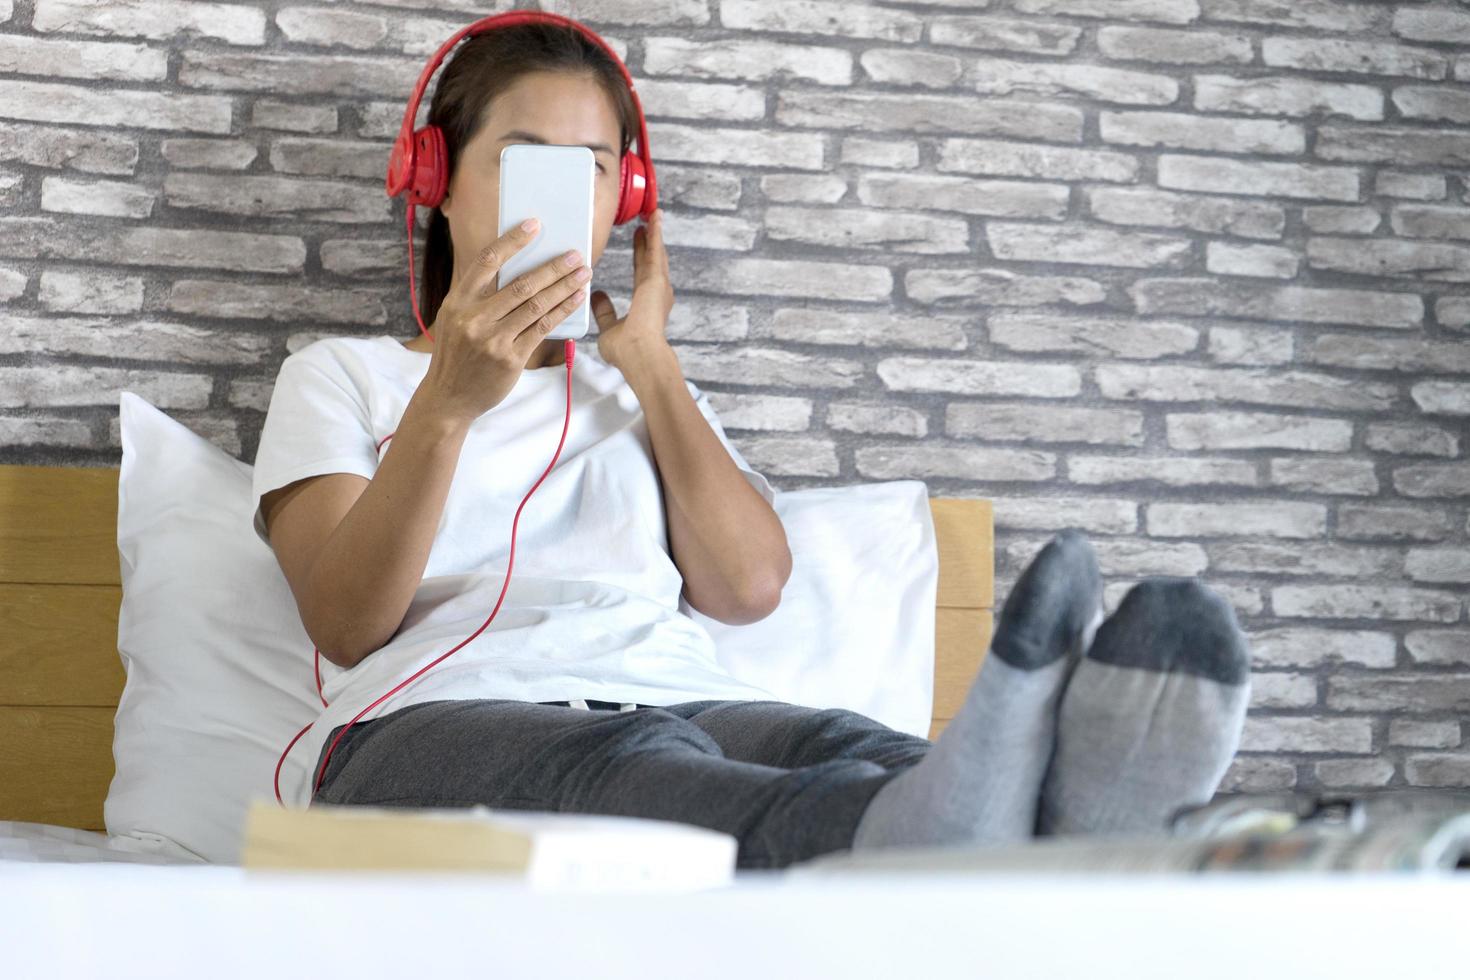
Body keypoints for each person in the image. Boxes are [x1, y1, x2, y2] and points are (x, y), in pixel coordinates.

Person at [251, 21, 1252, 871]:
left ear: (625, 198)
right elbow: (345, 620)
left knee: (832, 740)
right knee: (641, 759)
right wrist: (446, 407)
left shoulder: (636, 390)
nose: (564, 193)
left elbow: (748, 584)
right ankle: (951, 839)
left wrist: (648, 364)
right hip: (422, 729)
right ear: (438, 180)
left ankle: (1077, 820)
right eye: (526, 159)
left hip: (681, 697)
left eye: (593, 168)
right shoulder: (344, 376)